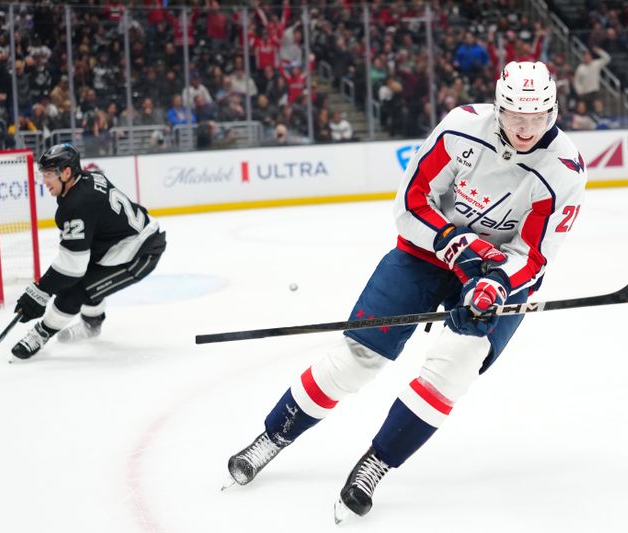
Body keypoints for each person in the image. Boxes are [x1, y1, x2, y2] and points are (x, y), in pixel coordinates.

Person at [225, 61, 587, 522]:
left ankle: (375, 464)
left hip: (491, 279)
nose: (525, 129)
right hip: (424, 255)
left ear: (552, 111)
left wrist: (493, 284)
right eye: (516, 116)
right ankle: (272, 438)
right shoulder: (460, 129)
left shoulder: (563, 171)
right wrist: (454, 244)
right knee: (356, 358)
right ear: (499, 106)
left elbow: (533, 256)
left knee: (453, 369)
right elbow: (412, 202)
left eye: (536, 119)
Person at [11, 144, 167, 359]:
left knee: (75, 291)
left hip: (140, 253)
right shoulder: (87, 179)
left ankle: (41, 334)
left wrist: (40, 292)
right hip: (120, 242)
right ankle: (92, 325)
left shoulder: (78, 203)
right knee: (85, 277)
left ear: (66, 172)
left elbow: (71, 267)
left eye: (49, 174)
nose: (44, 181)